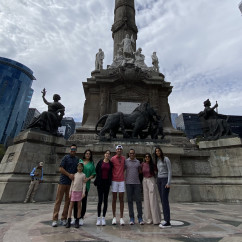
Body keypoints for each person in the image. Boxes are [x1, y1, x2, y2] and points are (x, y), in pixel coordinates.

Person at [52, 144, 79, 227]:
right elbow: (60, 168)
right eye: (72, 149)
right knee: (58, 200)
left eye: (74, 150)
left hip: (71, 184)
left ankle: (63, 218)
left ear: (76, 151)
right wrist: (69, 175)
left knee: (68, 202)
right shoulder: (65, 158)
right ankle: (55, 219)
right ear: (69, 150)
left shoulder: (77, 159)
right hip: (63, 182)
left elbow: (78, 170)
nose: (73, 151)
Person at [73, 149, 96, 226]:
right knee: (76, 201)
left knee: (83, 201)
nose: (88, 155)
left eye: (89, 154)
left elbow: (93, 173)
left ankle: (81, 217)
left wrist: (88, 178)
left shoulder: (91, 163)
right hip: (77, 184)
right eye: (86, 153)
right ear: (84, 154)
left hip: (86, 184)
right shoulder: (80, 161)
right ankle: (75, 217)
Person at [125, 149, 144, 225]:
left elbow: (140, 172)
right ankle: (131, 218)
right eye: (130, 153)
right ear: (129, 154)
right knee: (129, 201)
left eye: (133, 153)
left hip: (137, 183)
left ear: (135, 154)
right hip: (128, 183)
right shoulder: (126, 162)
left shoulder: (138, 162)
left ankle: (140, 217)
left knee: (138, 201)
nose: (132, 154)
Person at [94, 150, 113, 226]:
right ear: (104, 154)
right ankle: (98, 217)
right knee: (100, 200)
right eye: (106, 153)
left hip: (107, 183)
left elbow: (111, 172)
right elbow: (96, 171)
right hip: (100, 183)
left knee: (105, 200)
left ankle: (103, 217)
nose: (107, 155)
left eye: (109, 154)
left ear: (109, 155)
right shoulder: (100, 162)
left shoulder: (111, 164)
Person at [154, 147, 172, 228]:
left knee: (165, 200)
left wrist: (168, 182)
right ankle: (165, 219)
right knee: (162, 200)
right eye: (156, 151)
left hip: (165, 180)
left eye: (158, 151)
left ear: (161, 151)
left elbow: (170, 171)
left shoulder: (166, 159)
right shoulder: (157, 160)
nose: (157, 152)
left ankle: (167, 221)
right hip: (159, 180)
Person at [141, 153, 161, 225]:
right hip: (145, 180)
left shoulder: (153, 165)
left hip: (151, 179)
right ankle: (148, 219)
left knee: (153, 199)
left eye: (148, 157)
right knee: (146, 199)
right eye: (146, 157)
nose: (147, 158)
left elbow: (158, 171)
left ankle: (155, 219)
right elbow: (140, 171)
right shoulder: (142, 164)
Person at [66, 163, 86, 228]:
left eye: (81, 167)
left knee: (79, 206)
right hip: (73, 191)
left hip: (79, 192)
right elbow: (72, 184)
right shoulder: (74, 175)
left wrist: (83, 192)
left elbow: (84, 184)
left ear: (82, 168)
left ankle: (77, 220)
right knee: (71, 206)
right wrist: (70, 192)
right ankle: (68, 220)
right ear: (77, 168)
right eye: (78, 167)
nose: (80, 168)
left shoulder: (83, 175)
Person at [111, 145, 126, 225]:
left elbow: (124, 168)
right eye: (118, 149)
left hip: (121, 180)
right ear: (116, 150)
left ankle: (121, 217)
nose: (119, 150)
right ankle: (114, 217)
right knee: (114, 198)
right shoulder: (113, 159)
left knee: (121, 199)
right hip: (114, 180)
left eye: (120, 149)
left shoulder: (124, 159)